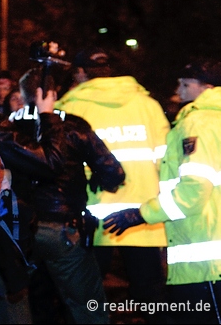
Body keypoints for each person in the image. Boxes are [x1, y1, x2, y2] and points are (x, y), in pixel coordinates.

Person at [103, 59, 221, 325]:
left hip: (207, 264)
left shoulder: (198, 122)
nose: (178, 87)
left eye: (185, 83)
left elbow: (194, 191)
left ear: (206, 87)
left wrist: (141, 214)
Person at [0, 68, 125, 323]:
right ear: (53, 94)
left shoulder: (8, 127)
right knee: (87, 306)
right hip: (63, 228)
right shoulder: (73, 126)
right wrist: (97, 177)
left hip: (20, 229)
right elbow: (113, 172)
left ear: (22, 95)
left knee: (22, 302)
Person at [55, 47, 170, 321]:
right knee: (152, 300)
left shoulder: (70, 108)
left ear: (81, 73)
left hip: (91, 218)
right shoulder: (148, 106)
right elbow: (166, 163)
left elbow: (60, 166)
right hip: (144, 217)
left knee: (88, 300)